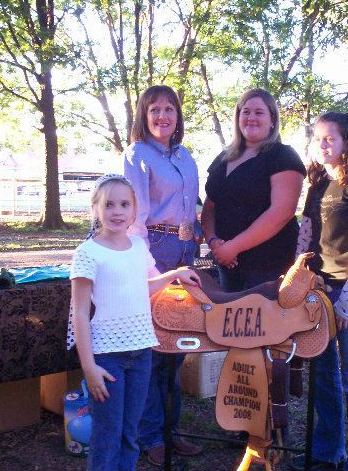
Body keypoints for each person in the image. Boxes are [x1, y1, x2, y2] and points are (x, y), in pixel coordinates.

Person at [68, 174, 200, 471]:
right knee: (108, 437)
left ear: (134, 210)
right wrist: (89, 367)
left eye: (124, 204)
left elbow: (146, 287)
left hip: (141, 353)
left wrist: (175, 274)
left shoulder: (139, 246)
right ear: (96, 209)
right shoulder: (87, 253)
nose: (117, 211)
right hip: (107, 359)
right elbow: (79, 312)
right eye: (109, 204)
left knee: (130, 436)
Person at [291, 112, 348, 471]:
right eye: (317, 138)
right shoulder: (316, 187)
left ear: (347, 142)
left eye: (330, 137)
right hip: (317, 293)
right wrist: (298, 280)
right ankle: (328, 452)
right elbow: (305, 239)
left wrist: (347, 301)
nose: (322, 143)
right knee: (324, 375)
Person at [123, 85, 202, 466]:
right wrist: (152, 269)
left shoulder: (186, 156)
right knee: (153, 348)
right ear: (144, 115)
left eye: (169, 109)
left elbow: (192, 205)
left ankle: (171, 431)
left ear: (178, 115)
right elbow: (135, 216)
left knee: (177, 346)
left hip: (187, 249)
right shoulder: (137, 154)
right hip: (156, 249)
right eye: (154, 109)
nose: (162, 116)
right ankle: (151, 436)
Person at [201, 88, 305, 291]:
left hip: (268, 265)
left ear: (272, 119)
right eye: (245, 112)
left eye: (259, 112)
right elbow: (210, 206)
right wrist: (214, 242)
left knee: (262, 323)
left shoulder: (282, 155)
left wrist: (234, 247)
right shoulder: (223, 158)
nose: (251, 118)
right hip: (227, 265)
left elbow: (282, 212)